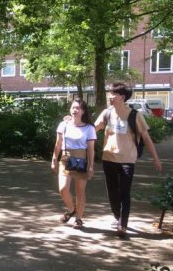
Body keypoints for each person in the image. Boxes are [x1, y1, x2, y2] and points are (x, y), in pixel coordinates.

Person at [94, 82, 163, 238]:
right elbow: (92, 129)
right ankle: (117, 216)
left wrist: (156, 159)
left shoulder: (134, 115)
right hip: (109, 158)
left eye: (113, 94)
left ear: (122, 97)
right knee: (112, 192)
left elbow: (146, 138)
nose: (110, 96)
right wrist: (73, 123)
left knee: (125, 191)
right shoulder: (106, 113)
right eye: (110, 93)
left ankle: (122, 224)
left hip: (127, 159)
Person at [51, 99, 97, 229]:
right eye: (73, 107)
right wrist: (54, 158)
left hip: (82, 160)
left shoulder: (89, 128)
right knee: (63, 189)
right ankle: (71, 209)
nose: (75, 110)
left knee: (80, 191)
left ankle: (79, 219)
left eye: (78, 108)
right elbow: (58, 143)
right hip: (66, 159)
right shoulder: (63, 125)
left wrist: (91, 166)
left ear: (83, 111)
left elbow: (91, 149)